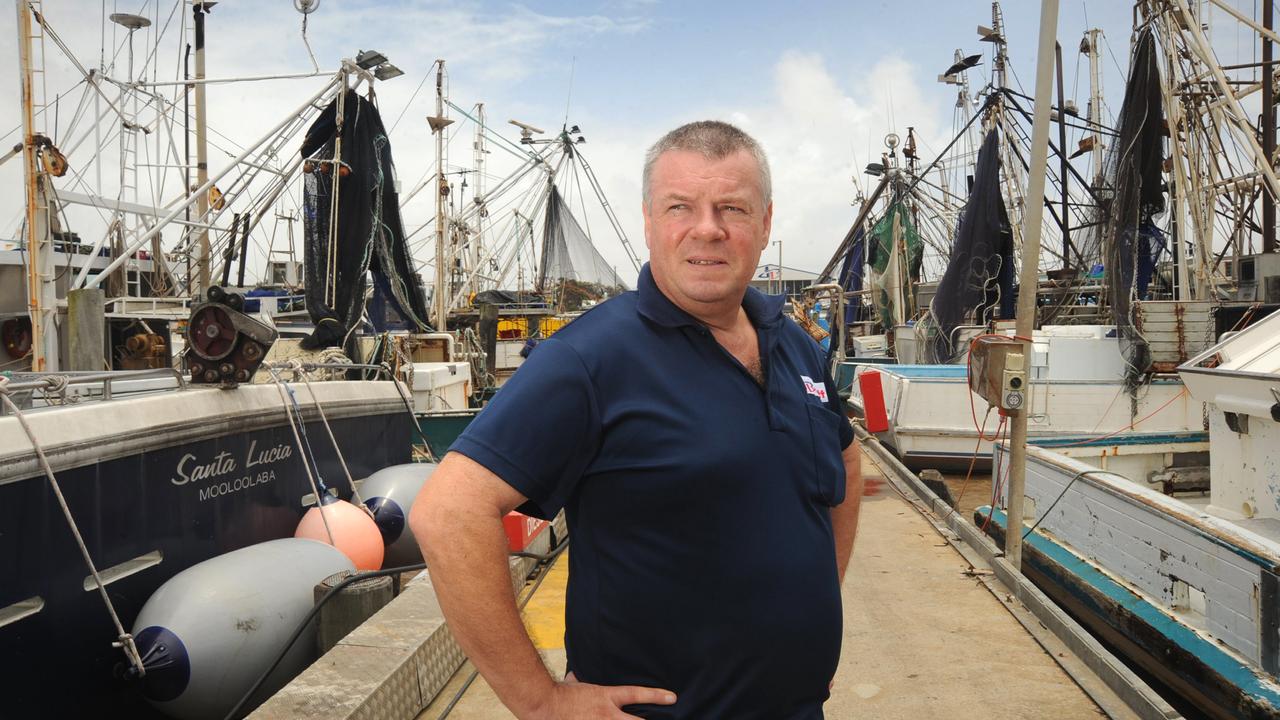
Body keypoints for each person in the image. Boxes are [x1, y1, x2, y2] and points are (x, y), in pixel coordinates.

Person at [411, 120, 863, 720]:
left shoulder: (795, 343)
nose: (708, 228)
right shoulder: (590, 358)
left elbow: (844, 456)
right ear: (649, 221)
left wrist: (814, 606)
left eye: (732, 207)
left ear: (766, 223)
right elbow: (448, 512)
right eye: (682, 206)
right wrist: (540, 701)